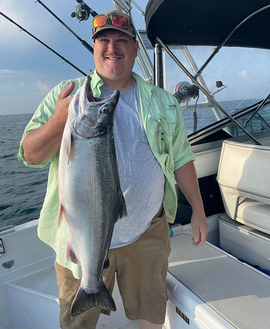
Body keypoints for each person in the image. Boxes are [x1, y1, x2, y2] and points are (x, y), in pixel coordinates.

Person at [18, 9, 209, 329]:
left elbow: (181, 158)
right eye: (103, 40)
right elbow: (30, 154)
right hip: (78, 239)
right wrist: (60, 119)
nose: (112, 47)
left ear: (136, 48)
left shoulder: (163, 102)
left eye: (122, 39)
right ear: (93, 48)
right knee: (77, 322)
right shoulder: (65, 96)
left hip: (148, 231)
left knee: (151, 312)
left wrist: (199, 210)